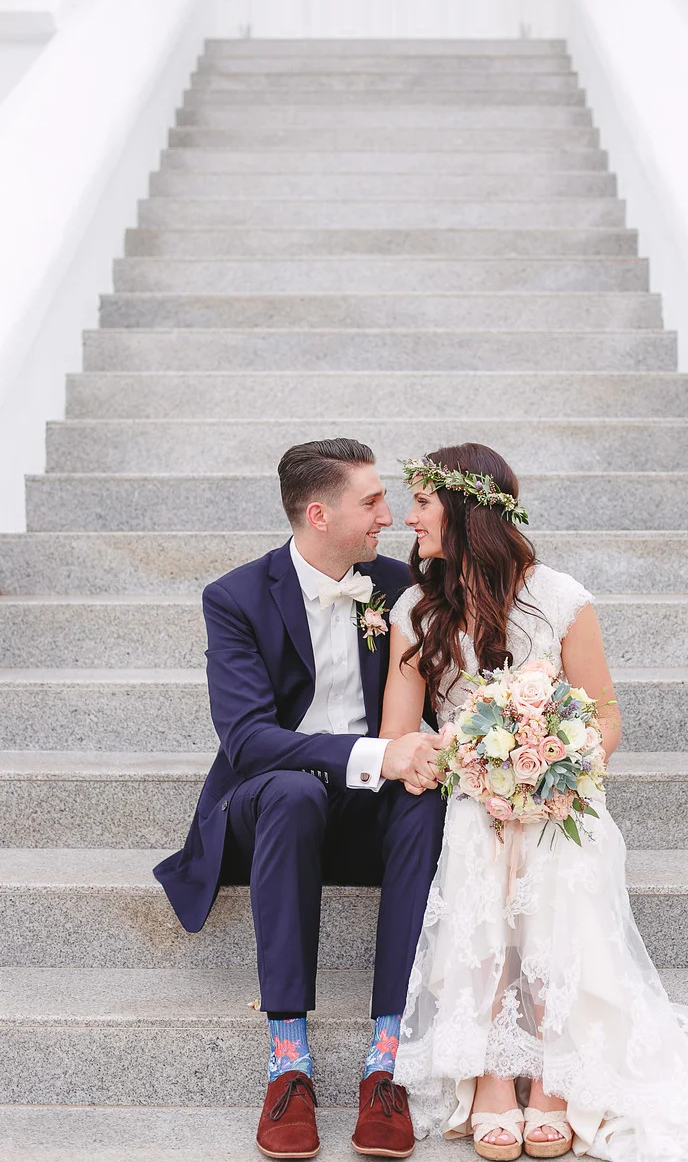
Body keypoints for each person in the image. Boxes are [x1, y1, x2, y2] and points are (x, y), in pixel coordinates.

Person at [379, 442, 688, 1162]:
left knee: (552, 844)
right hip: (471, 791)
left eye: (421, 502)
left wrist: (552, 771)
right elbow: (398, 735)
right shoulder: (417, 610)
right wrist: (476, 767)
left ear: (467, 509)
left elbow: (605, 719)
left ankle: (553, 1074)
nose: (408, 517)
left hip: (556, 795)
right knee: (477, 829)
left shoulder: (561, 599)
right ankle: (491, 1073)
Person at [154, 438, 446, 1160]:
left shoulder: (399, 585)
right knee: (290, 792)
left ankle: (387, 1063)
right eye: (371, 502)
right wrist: (375, 754)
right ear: (319, 514)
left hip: (369, 807)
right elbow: (248, 741)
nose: (390, 517)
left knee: (423, 798)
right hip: (275, 807)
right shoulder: (235, 598)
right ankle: (288, 1064)